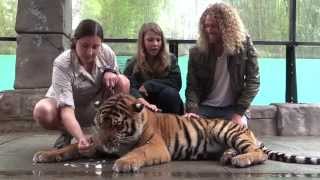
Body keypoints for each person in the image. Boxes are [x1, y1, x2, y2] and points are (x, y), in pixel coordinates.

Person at [33, 19, 130, 153]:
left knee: (123, 81)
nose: (90, 52)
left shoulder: (106, 52)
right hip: (64, 109)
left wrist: (110, 71)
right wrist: (81, 138)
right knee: (42, 110)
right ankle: (67, 132)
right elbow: (66, 109)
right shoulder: (62, 63)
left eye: (95, 47)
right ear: (75, 42)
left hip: (95, 106)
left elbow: (118, 79)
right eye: (84, 45)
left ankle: (108, 134)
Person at [185, 2, 260, 126]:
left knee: (238, 132)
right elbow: (192, 86)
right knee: (191, 133)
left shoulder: (243, 45)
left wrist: (239, 113)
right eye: (206, 26)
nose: (209, 30)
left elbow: (253, 81)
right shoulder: (196, 52)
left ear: (227, 27)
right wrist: (192, 111)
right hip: (205, 107)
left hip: (233, 108)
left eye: (214, 26)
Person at [124, 22, 184, 115]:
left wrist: (149, 85)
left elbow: (176, 83)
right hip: (143, 103)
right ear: (142, 41)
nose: (155, 44)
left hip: (167, 103)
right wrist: (144, 103)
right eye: (150, 40)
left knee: (171, 94)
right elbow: (130, 87)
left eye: (158, 40)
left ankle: (171, 126)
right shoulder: (132, 62)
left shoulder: (171, 59)